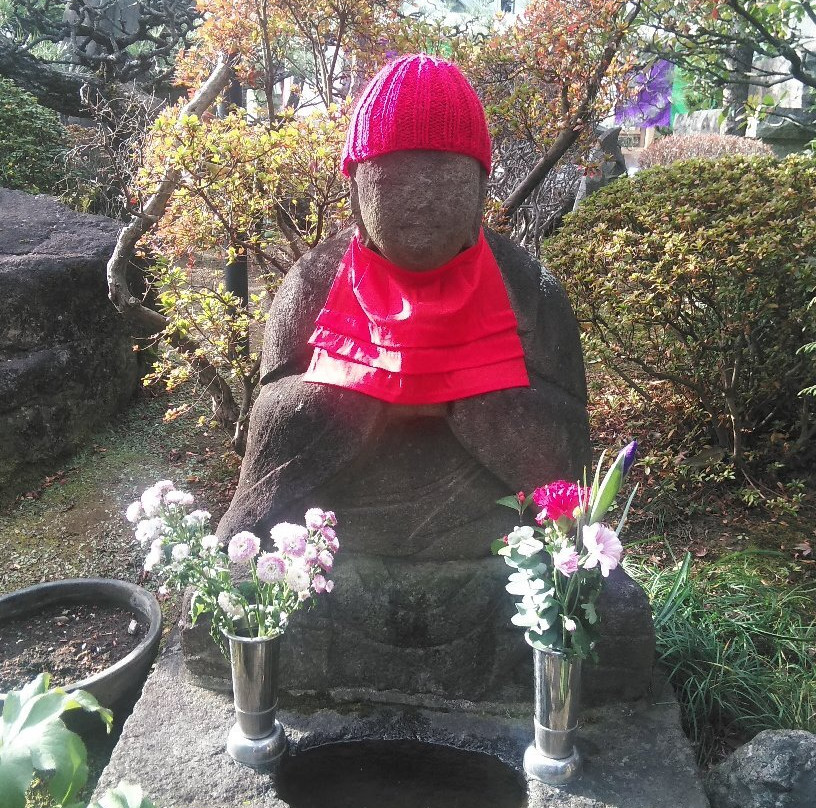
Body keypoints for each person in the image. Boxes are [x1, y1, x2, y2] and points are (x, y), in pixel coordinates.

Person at [216, 53, 590, 557]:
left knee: (606, 615)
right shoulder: (312, 283)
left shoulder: (529, 290)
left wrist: (478, 398)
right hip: (340, 559)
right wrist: (356, 393)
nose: (422, 199)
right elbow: (269, 423)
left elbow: (571, 443)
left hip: (496, 559)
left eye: (446, 180)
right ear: (355, 189)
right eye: (394, 180)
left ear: (481, 189)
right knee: (244, 598)